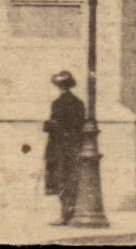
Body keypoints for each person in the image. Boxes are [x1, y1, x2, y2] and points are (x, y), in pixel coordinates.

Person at [44, 71, 85, 224]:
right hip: (74, 145)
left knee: (61, 179)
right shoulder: (79, 102)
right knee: (71, 179)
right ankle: (70, 211)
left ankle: (65, 214)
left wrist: (48, 125)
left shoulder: (58, 103)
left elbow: (58, 125)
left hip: (59, 146)